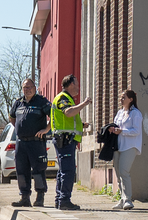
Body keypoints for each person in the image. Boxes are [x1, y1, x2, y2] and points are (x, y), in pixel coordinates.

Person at [51, 75, 92, 210]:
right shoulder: (63, 98)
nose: (78, 87)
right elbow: (68, 113)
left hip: (65, 139)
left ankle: (60, 199)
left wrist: (82, 124)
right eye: (77, 84)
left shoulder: (67, 98)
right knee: (68, 171)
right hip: (65, 140)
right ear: (70, 84)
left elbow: (68, 120)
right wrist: (84, 104)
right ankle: (64, 200)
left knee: (63, 170)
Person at [8, 79, 51, 208]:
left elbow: (54, 117)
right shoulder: (18, 102)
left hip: (36, 142)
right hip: (21, 142)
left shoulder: (41, 101)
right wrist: (19, 127)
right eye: (25, 88)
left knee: (38, 171)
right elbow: (12, 117)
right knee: (21, 171)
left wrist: (46, 130)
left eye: (30, 87)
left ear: (35, 87)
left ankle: (40, 197)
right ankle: (24, 197)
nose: (27, 90)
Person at [110, 89, 143, 211]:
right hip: (118, 146)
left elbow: (136, 131)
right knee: (119, 174)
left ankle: (128, 200)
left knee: (124, 172)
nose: (121, 99)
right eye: (121, 97)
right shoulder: (119, 113)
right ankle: (122, 199)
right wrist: (112, 129)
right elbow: (115, 126)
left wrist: (122, 131)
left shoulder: (136, 113)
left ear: (131, 99)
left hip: (130, 146)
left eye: (124, 97)